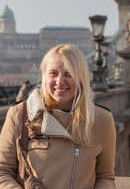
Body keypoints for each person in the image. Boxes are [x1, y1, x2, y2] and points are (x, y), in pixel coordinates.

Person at [0, 44, 116, 189]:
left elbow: (105, 177)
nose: (60, 82)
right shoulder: (20, 114)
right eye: (53, 73)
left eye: (69, 74)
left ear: (81, 78)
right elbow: (2, 171)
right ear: (44, 76)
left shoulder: (102, 120)